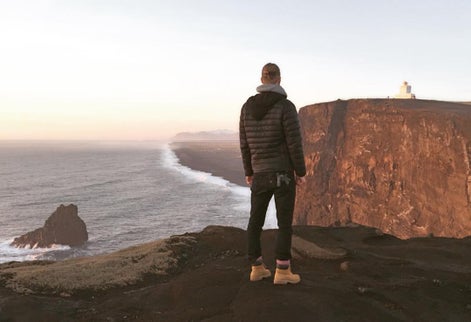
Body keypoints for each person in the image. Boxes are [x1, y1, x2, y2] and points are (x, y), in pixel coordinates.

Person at [239, 63, 306, 285]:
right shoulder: (286, 107)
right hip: (282, 174)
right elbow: (294, 143)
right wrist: (301, 171)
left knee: (255, 221)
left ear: (262, 79)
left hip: (259, 173)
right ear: (278, 79)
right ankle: (283, 272)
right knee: (284, 223)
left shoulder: (247, 108)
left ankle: (256, 268)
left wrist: (249, 171)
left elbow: (244, 144)